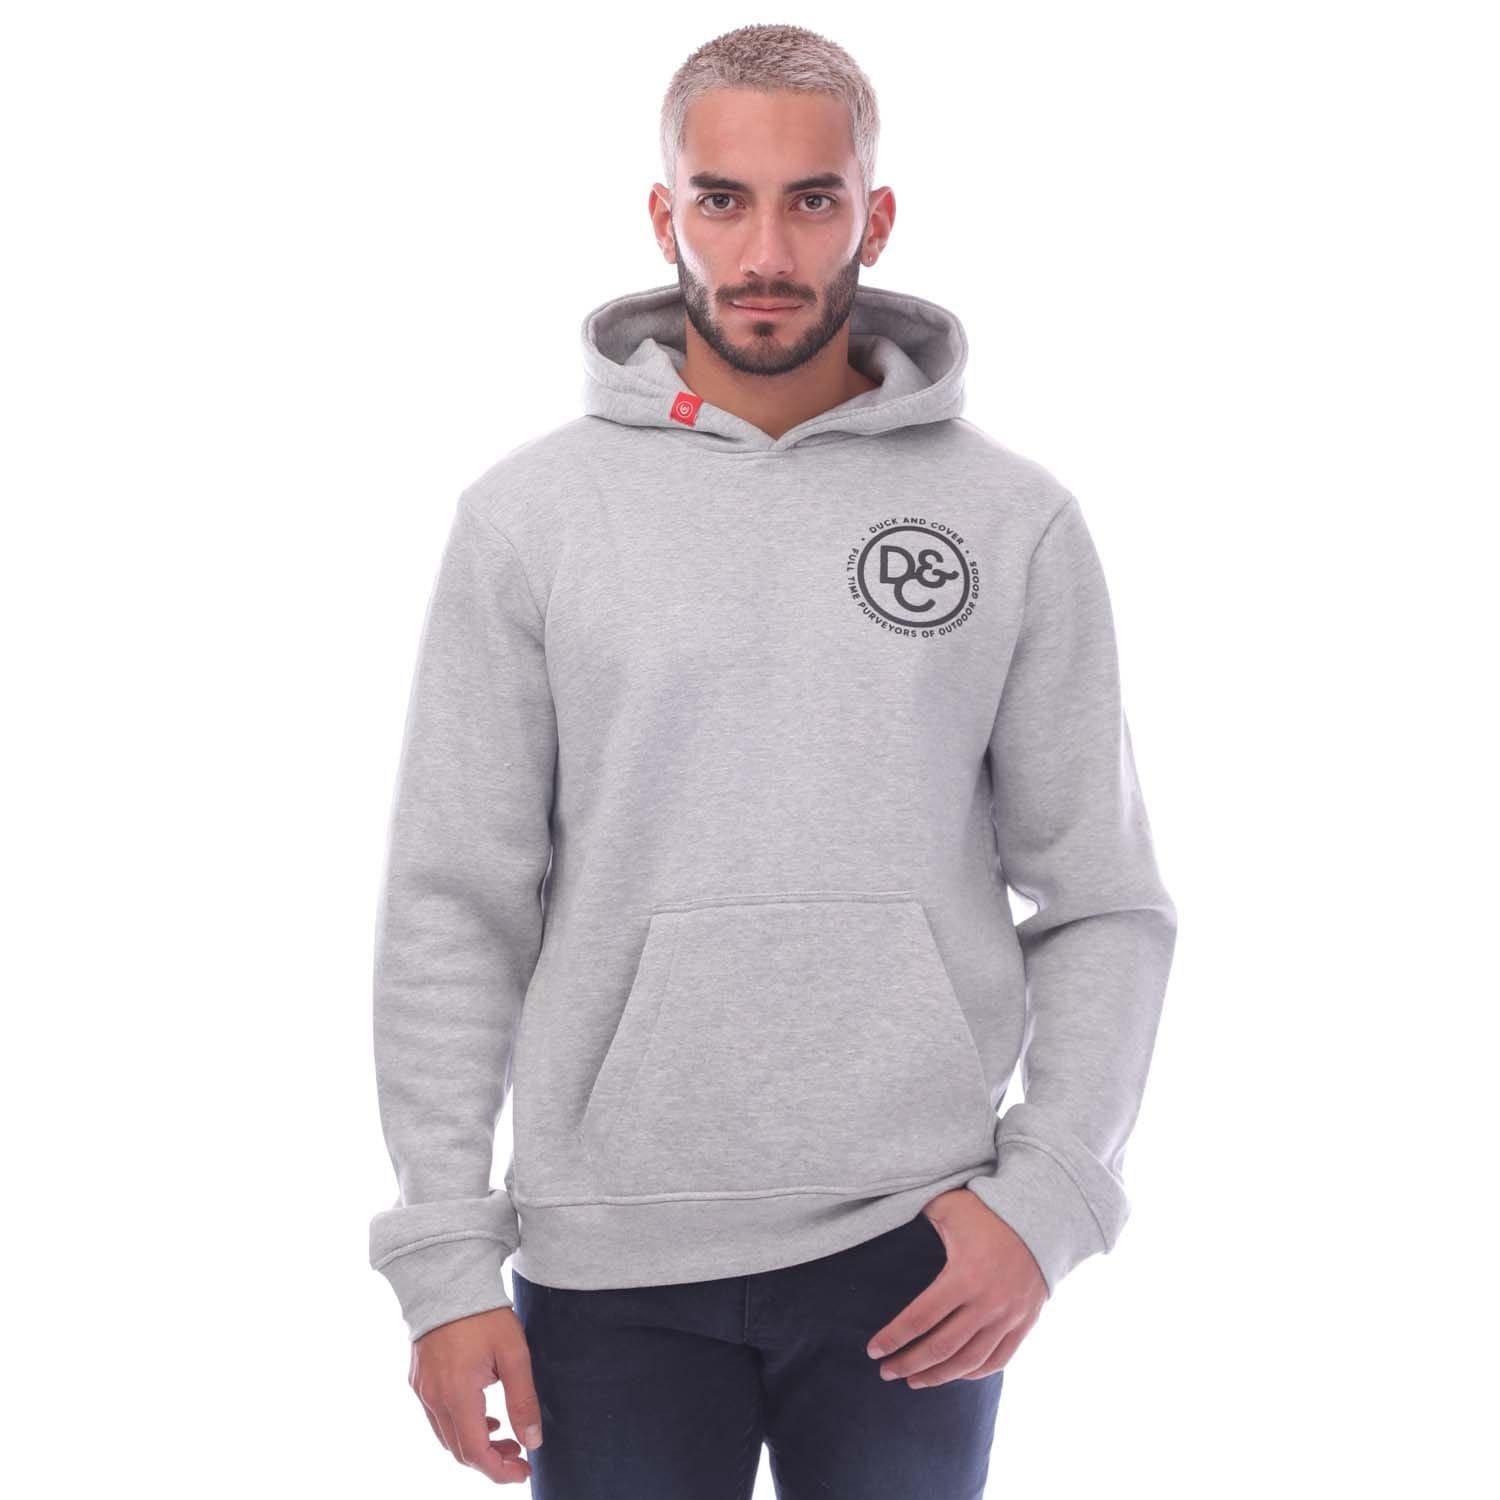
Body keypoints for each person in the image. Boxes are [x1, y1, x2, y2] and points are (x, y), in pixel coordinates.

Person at [367, 22, 1178, 1497]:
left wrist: (1051, 1194)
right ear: (663, 213)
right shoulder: (531, 521)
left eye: (812, 201)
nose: (764, 251)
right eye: (722, 199)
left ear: (874, 215)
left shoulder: (1012, 521)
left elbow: (1105, 899)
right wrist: (444, 1257)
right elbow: (452, 905)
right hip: (608, 1260)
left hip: (916, 1250)